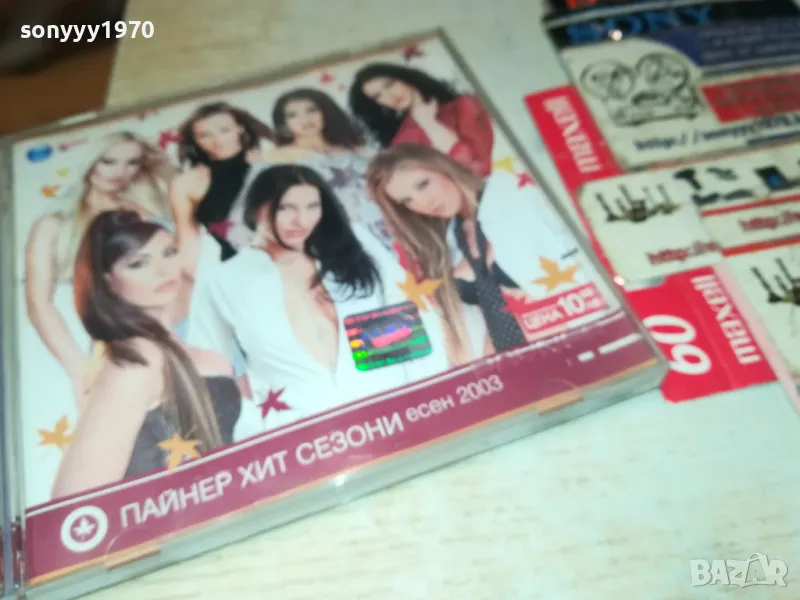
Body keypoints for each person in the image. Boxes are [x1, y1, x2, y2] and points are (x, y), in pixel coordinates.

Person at [187, 164, 449, 434]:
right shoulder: (224, 280)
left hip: (394, 413)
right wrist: (261, 427)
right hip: (303, 433)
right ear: (257, 208)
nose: (301, 220)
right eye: (286, 208)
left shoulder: (351, 246)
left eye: (312, 207)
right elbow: (208, 373)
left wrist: (425, 402)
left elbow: (414, 324)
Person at [50, 211, 242, 499]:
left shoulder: (201, 356)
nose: (162, 271)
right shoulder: (136, 360)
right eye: (139, 263)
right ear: (108, 281)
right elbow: (75, 505)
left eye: (169, 253)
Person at [367, 144, 586, 365]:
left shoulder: (511, 199)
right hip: (520, 364)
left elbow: (576, 267)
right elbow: (490, 317)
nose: (423, 202)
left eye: (423, 184)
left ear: (441, 167)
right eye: (407, 201)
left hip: (575, 341)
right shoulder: (449, 243)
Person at [24, 131, 175, 411]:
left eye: (132, 162)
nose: (120, 172)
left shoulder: (145, 212)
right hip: (103, 345)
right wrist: (78, 369)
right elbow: (38, 305)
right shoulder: (54, 225)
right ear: (89, 161)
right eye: (108, 161)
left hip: (168, 332)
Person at [240, 88, 392, 248]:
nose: (305, 119)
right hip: (332, 236)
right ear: (284, 123)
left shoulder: (360, 150)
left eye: (312, 110)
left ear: (326, 112)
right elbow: (257, 206)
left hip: (387, 224)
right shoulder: (274, 158)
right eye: (292, 115)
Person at [170, 101, 275, 275]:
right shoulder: (186, 183)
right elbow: (188, 238)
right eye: (204, 135)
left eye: (224, 130)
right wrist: (192, 277)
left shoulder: (270, 163)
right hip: (239, 270)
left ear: (240, 128)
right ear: (195, 140)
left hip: (289, 259)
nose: (217, 140)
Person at [349, 63, 494, 177]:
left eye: (389, 84)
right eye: (377, 96)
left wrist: (431, 124)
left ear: (403, 77)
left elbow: (479, 169)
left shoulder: (465, 105)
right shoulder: (400, 143)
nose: (389, 95)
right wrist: (427, 123)